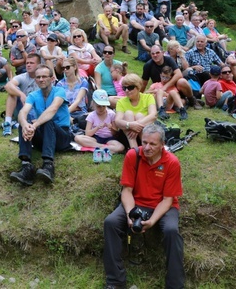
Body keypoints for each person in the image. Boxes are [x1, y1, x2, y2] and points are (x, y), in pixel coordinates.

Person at [103, 124, 184, 289]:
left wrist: (152, 221)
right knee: (110, 222)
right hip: (136, 202)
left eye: (153, 144)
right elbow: (127, 191)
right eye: (144, 142)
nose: (147, 147)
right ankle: (115, 281)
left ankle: (175, 285)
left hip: (163, 205)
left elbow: (168, 200)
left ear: (162, 144)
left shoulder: (172, 162)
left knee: (171, 231)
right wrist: (130, 215)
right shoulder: (133, 156)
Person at [9, 66, 73, 186]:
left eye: (44, 76)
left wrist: (35, 125)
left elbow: (53, 109)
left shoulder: (59, 91)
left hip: (62, 136)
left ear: (52, 78)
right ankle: (26, 167)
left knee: (47, 121)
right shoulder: (33, 95)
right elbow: (23, 112)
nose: (41, 79)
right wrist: (26, 125)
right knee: (24, 124)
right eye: (38, 77)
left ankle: (48, 165)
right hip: (44, 137)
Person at [74, 89, 125, 155]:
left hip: (110, 139)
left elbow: (115, 133)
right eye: (99, 106)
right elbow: (87, 133)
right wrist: (97, 128)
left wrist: (111, 128)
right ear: (94, 104)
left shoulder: (111, 114)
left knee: (121, 147)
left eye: (103, 106)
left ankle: (98, 148)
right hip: (96, 138)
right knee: (77, 138)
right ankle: (103, 147)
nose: (101, 108)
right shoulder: (91, 115)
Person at [115, 73, 157, 149]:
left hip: (145, 133)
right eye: (124, 88)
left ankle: (145, 148)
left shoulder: (148, 97)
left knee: (139, 115)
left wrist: (137, 125)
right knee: (128, 114)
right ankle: (134, 151)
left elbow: (153, 115)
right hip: (128, 136)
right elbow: (117, 121)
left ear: (138, 87)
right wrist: (130, 125)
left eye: (130, 87)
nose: (127, 90)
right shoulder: (121, 102)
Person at [3, 54, 41, 135]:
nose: (28, 65)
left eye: (31, 63)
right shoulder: (22, 77)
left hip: (38, 109)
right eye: (27, 63)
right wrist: (21, 94)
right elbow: (8, 86)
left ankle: (18, 123)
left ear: (39, 65)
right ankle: (7, 123)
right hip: (23, 107)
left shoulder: (43, 77)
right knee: (12, 92)